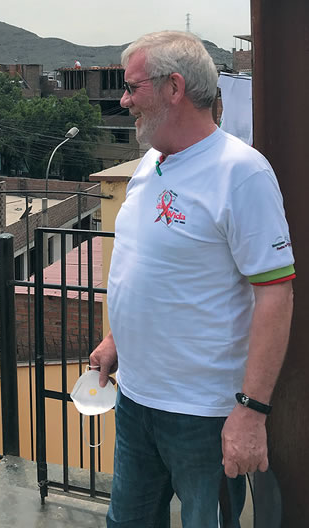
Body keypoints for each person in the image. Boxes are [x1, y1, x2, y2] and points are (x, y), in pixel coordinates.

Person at [90, 31, 294, 528]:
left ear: (173, 87)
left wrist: (250, 412)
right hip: (137, 401)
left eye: (133, 87)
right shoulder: (151, 163)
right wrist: (119, 337)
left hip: (204, 415)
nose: (124, 99)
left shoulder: (241, 173)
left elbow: (275, 296)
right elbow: (154, 265)